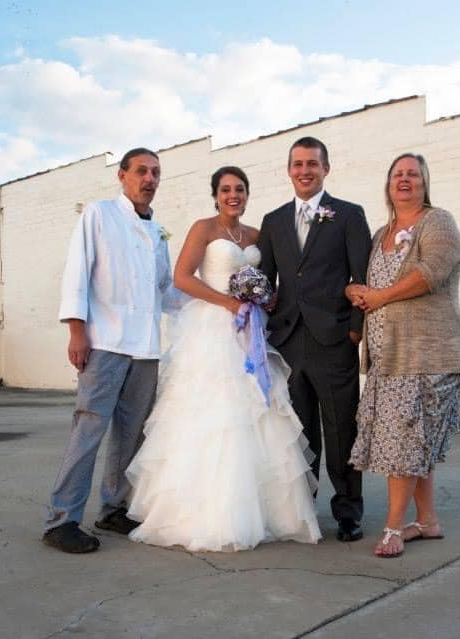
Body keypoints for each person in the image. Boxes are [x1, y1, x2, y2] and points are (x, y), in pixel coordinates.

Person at [126, 166, 322, 552]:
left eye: (240, 189)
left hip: (251, 331)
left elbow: (273, 278)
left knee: (259, 413)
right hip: (212, 328)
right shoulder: (203, 228)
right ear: (216, 195)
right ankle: (208, 515)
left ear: (247, 195)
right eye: (226, 189)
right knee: (218, 413)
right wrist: (228, 303)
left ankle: (268, 512)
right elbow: (183, 277)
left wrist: (264, 299)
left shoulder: (256, 235)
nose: (234, 195)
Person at [43, 148, 177, 554]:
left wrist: (222, 302)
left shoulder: (158, 233)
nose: (149, 179)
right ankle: (62, 519)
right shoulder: (99, 214)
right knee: (89, 430)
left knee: (131, 434)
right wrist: (76, 331)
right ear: (122, 176)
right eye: (141, 171)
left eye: (155, 172)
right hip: (104, 341)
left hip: (145, 348)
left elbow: (166, 289)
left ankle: (113, 507)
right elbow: (77, 272)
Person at [345, 153, 460, 558]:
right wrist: (354, 290)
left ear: (424, 182)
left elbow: (431, 273)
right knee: (417, 442)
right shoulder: (380, 233)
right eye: (397, 174)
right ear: (388, 184)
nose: (404, 179)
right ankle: (427, 521)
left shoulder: (438, 222)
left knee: (403, 444)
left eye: (412, 174)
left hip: (428, 354)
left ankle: (393, 528)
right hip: (389, 358)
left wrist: (381, 296)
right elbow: (366, 284)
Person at [257, 136, 372, 542]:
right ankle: (303, 509)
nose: (304, 171)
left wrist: (355, 330)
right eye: (298, 164)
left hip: (334, 338)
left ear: (326, 168)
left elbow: (362, 276)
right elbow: (265, 282)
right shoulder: (273, 221)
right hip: (288, 341)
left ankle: (348, 511)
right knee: (299, 432)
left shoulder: (349, 215)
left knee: (341, 429)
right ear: (289, 170)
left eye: (312, 164)